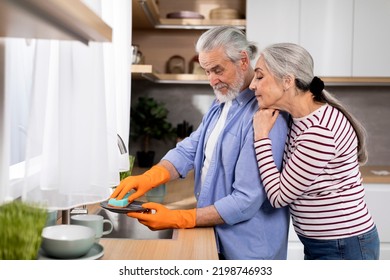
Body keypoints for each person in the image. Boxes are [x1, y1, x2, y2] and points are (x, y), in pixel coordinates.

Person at [110, 26, 290, 260]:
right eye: (206, 71)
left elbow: (246, 200)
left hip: (248, 250)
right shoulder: (222, 101)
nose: (212, 80)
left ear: (243, 61)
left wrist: (181, 218)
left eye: (217, 69)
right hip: (216, 235)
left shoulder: (265, 113)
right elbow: (192, 146)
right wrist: (150, 177)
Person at [250, 42, 380, 260]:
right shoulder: (297, 118)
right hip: (325, 243)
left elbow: (279, 197)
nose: (253, 85)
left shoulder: (320, 131)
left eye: (260, 76)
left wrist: (261, 137)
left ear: (287, 81)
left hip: (344, 245)